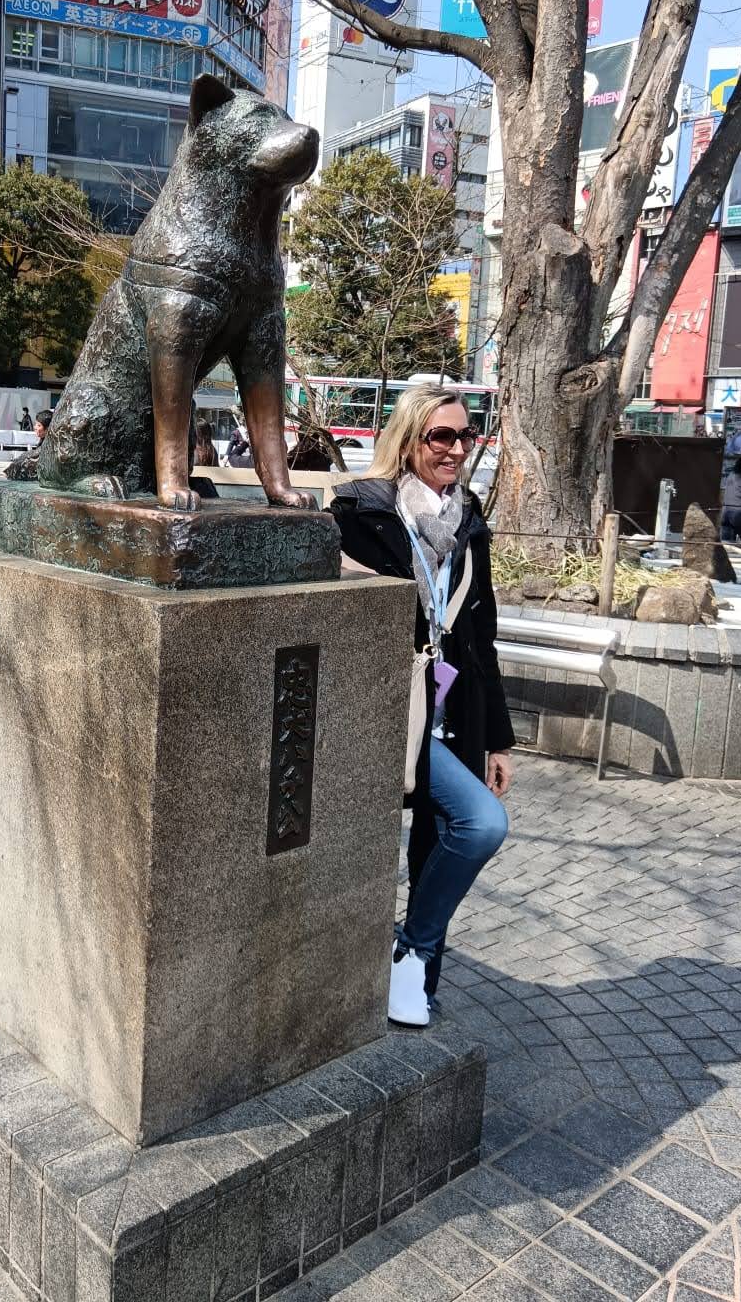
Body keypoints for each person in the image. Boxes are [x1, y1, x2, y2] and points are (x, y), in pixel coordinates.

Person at [329, 385, 514, 1026]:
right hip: (382, 712)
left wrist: (499, 739)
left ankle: (413, 965)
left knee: (453, 835)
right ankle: (375, 966)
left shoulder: (468, 519)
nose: (456, 449)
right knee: (473, 826)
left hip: (451, 714)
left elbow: (482, 638)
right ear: (408, 440)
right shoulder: (361, 512)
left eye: (465, 435)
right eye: (441, 436)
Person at [4, 409, 52, 481]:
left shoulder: (48, 447)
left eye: (39, 425)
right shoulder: (43, 442)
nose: (35, 427)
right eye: (35, 424)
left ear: (47, 429)